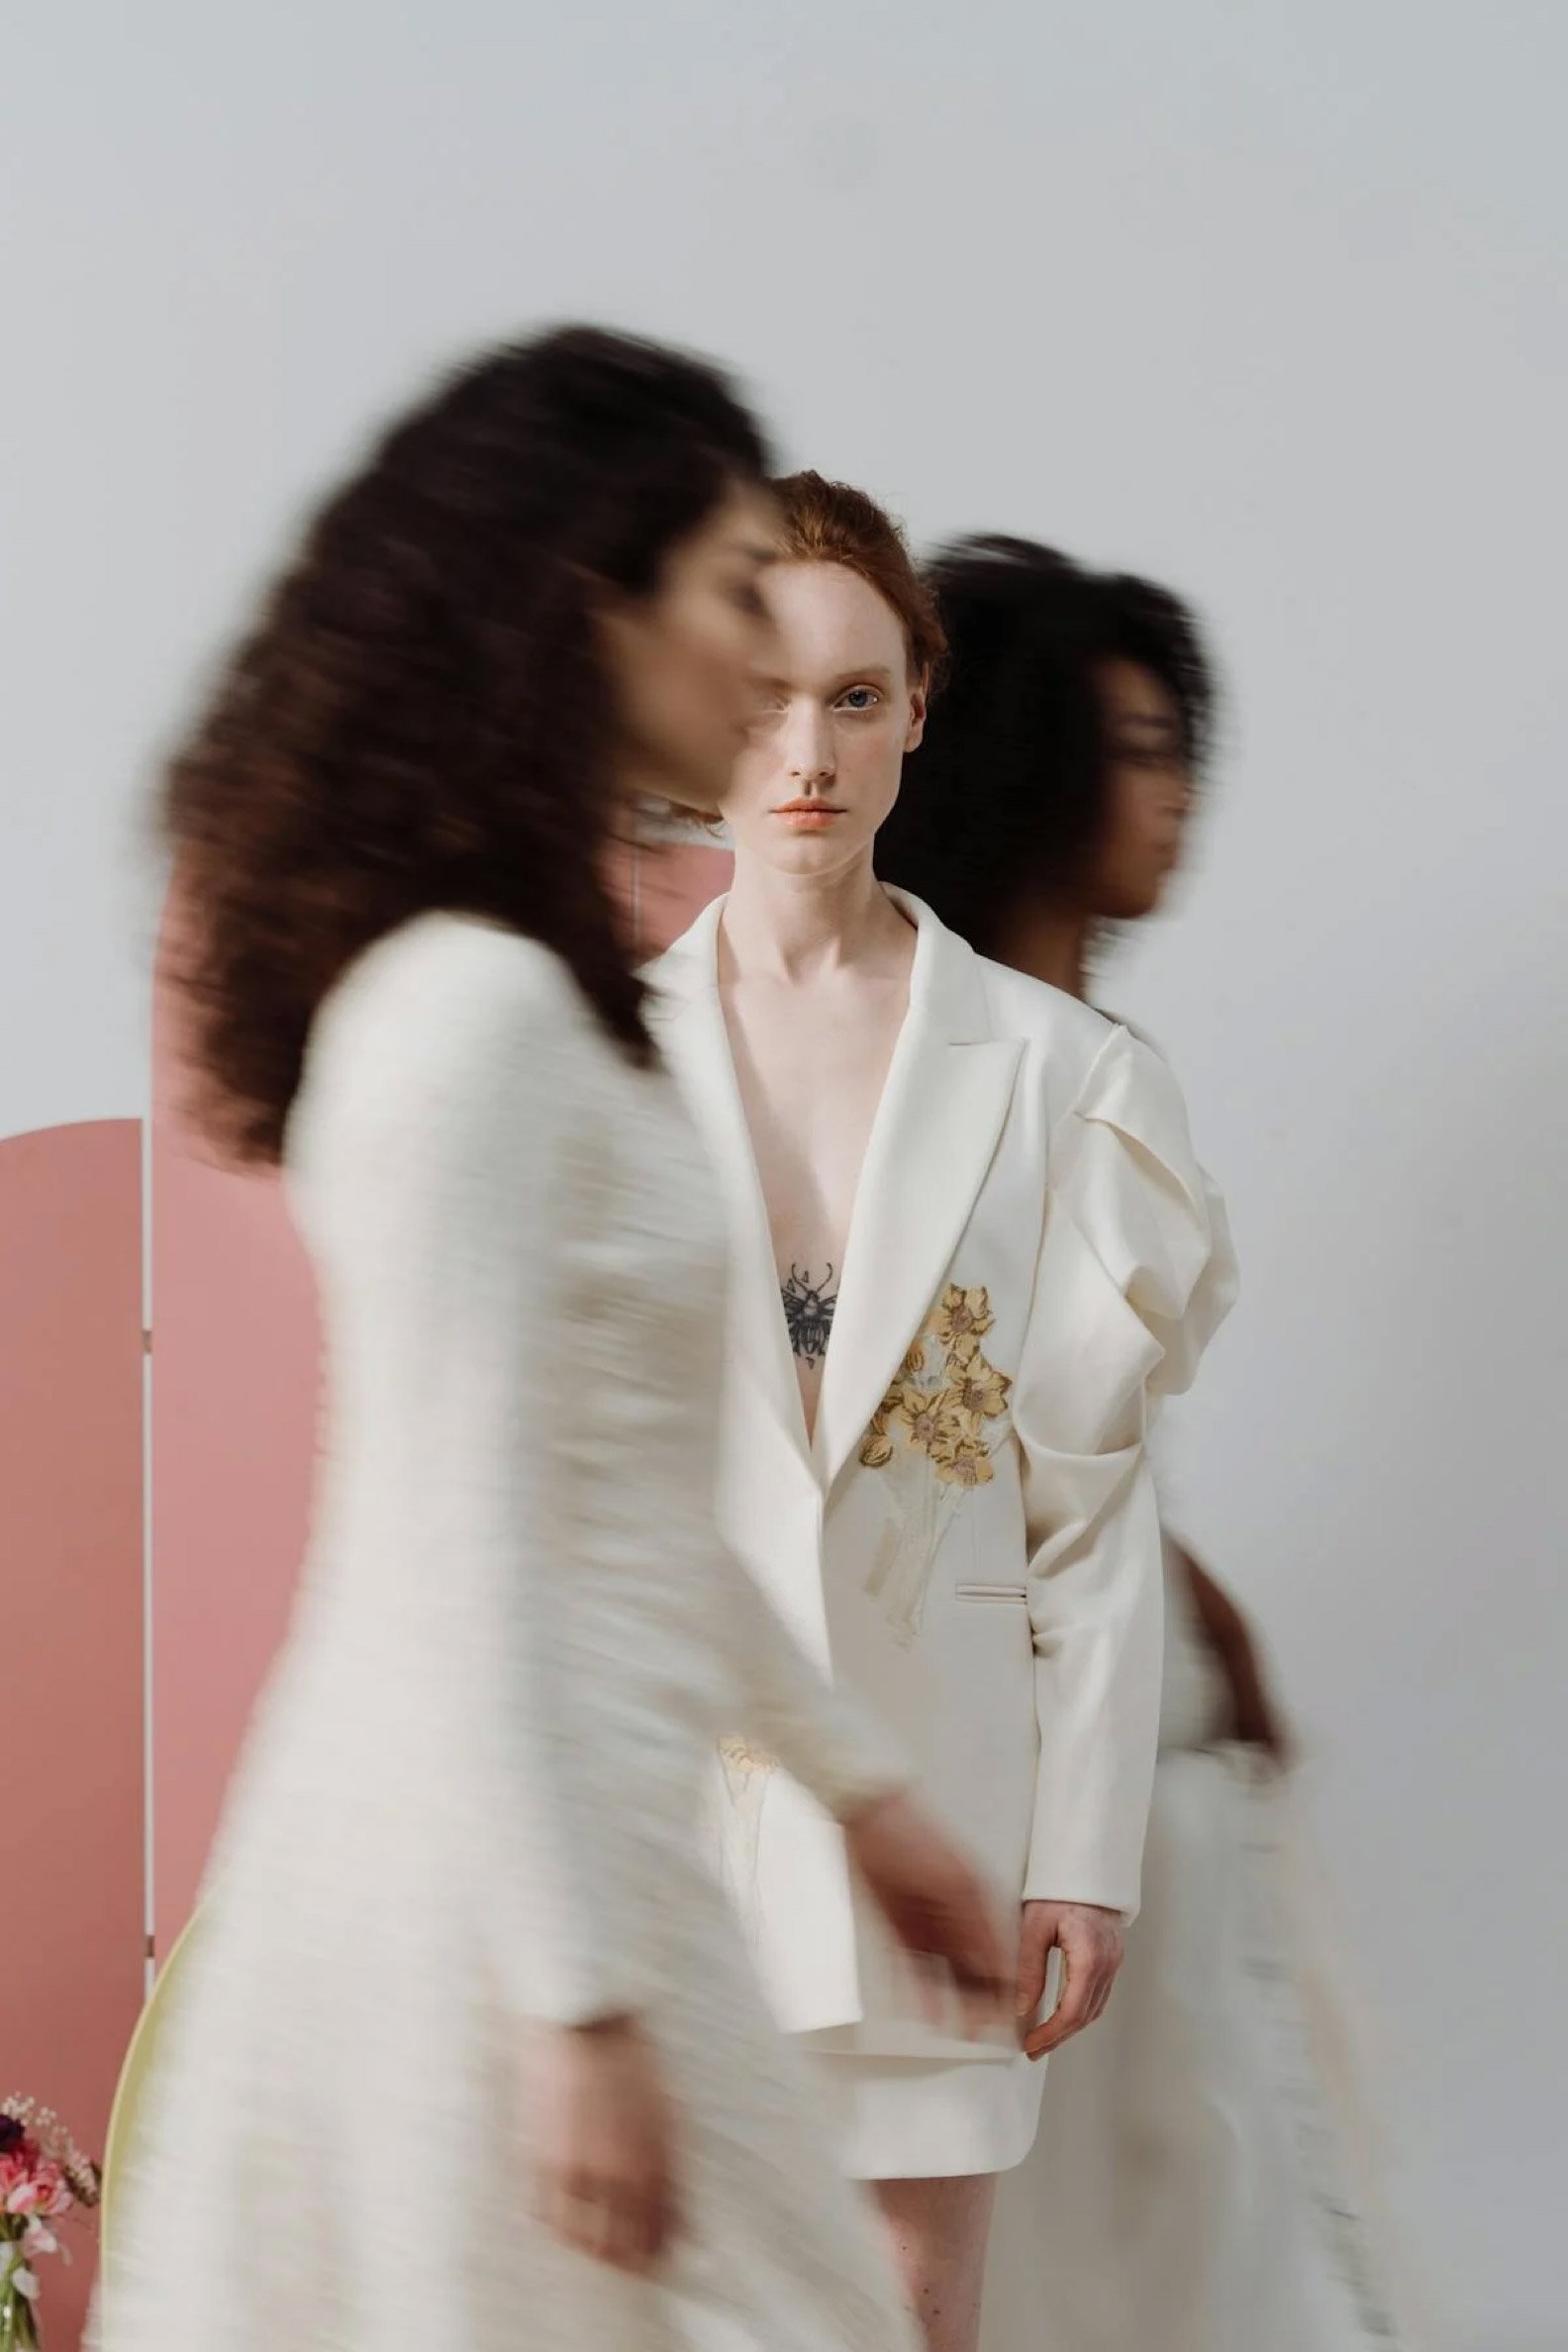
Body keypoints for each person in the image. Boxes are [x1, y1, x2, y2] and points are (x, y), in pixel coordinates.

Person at [100, 331, 1020, 2352]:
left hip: (581, 1867)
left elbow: (631, 1503)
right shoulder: (467, 1018)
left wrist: (867, 1800)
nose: (764, 651)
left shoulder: (534, 1001)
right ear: (590, 605)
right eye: (731, 588)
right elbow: (450, 1538)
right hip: (487, 1901)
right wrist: (575, 2005)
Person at [643, 477, 1235, 2352]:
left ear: (918, 706)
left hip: (949, 1809)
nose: (805, 755)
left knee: (913, 2308)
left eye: (852, 698)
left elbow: (1086, 1499)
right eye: (762, 701)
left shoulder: (1065, 1078)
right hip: (675, 1819)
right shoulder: (596, 1058)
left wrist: (1082, 1852)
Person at [878, 533, 1422, 2352]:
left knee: (1200, 2190)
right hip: (1004, 1742)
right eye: (1131, 747)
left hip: (1135, 1733)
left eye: (1178, 742)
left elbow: (1072, 1423)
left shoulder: (1091, 1061)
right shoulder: (935, 1066)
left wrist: (1195, 1598)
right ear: (1026, 769)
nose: (1174, 790)